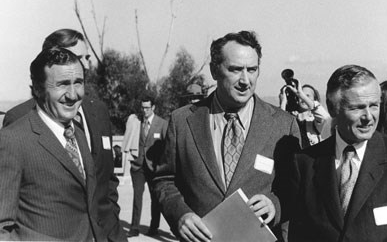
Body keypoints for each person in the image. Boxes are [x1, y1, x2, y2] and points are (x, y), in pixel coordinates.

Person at [153, 30, 301, 242]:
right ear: (214, 71)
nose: (245, 80)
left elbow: (297, 189)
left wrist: (275, 205)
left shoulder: (283, 125)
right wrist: (180, 215)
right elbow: (164, 180)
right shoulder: (181, 121)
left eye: (252, 70)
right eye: (235, 69)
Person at [2, 29, 126, 242]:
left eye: (78, 82)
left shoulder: (76, 134)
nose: (73, 94)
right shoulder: (13, 139)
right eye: (62, 84)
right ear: (38, 90)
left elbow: (101, 193)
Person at [283, 65, 387, 242]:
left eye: (374, 106)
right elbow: (299, 234)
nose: (368, 116)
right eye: (357, 108)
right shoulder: (305, 163)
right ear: (332, 108)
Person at [126, 96, 168, 237]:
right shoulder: (136, 122)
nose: (144, 111)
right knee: (137, 197)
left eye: (147, 108)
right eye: (143, 108)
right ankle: (134, 228)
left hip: (154, 168)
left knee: (155, 199)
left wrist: (161, 166)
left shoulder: (162, 124)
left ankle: (154, 227)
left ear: (153, 107)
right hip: (138, 166)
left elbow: (167, 147)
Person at [280, 81, 331, 148]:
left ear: (314, 99)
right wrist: (283, 102)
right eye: (300, 96)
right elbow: (279, 125)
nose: (302, 99)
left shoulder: (315, 122)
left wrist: (301, 95)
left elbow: (325, 118)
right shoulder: (291, 118)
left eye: (307, 96)